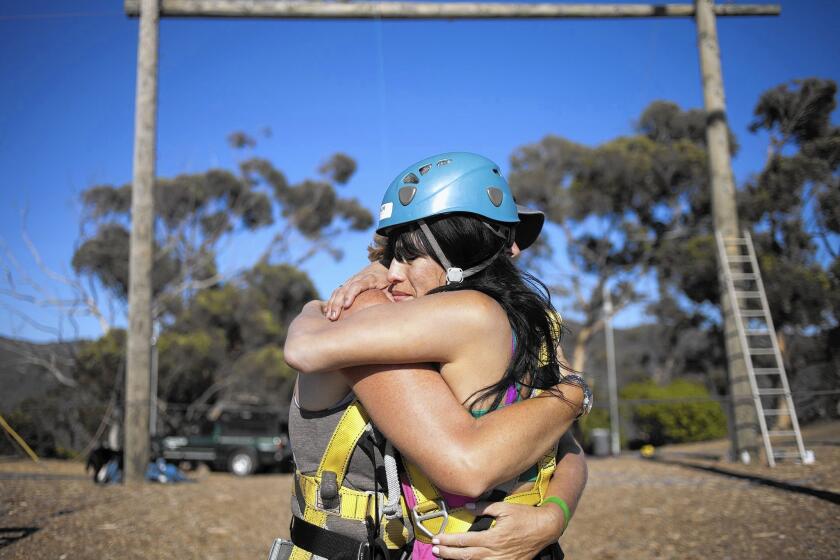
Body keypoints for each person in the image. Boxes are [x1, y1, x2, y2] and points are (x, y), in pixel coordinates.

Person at [279, 153, 590, 560]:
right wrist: (574, 396)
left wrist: (317, 308)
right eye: (392, 255)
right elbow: (566, 451)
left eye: (409, 256)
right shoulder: (537, 324)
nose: (513, 248)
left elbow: (485, 464)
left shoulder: (457, 317)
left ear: (461, 253)